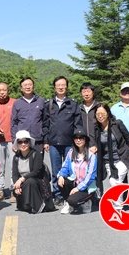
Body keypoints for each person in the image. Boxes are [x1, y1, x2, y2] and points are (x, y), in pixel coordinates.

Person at [42, 76, 83, 206]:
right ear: (54, 88)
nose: (60, 87)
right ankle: (58, 195)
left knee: (71, 171)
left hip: (69, 143)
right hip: (53, 143)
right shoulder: (48, 104)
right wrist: (46, 141)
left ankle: (70, 194)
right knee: (56, 171)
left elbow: (77, 124)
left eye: (63, 85)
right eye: (58, 85)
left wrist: (77, 141)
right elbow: (45, 124)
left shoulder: (73, 103)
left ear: (67, 87)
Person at [94, 103, 129, 195]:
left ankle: (117, 203)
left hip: (122, 158)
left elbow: (128, 138)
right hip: (108, 161)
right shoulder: (96, 128)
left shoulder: (117, 124)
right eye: (98, 114)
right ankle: (119, 202)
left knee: (114, 181)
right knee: (117, 183)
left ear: (108, 113)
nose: (100, 116)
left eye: (103, 113)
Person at [12, 130, 55, 214]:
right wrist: (16, 186)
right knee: (19, 187)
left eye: (25, 141)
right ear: (17, 144)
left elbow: (36, 172)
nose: (23, 144)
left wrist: (22, 179)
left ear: (29, 143)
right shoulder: (16, 157)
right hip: (24, 183)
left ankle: (38, 205)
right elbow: (15, 174)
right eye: (20, 142)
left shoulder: (36, 154)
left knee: (30, 181)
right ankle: (28, 205)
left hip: (38, 182)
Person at [57, 129, 97, 215]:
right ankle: (68, 204)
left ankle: (87, 202)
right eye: (76, 138)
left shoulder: (91, 155)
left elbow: (91, 176)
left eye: (81, 138)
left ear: (85, 140)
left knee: (73, 200)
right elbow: (65, 167)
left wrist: (78, 188)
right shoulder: (71, 152)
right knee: (61, 181)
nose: (78, 140)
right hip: (75, 183)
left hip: (87, 187)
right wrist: (61, 176)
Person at [11, 77, 45, 154]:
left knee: (37, 161)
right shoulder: (17, 103)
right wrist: (14, 141)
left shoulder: (41, 101)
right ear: (21, 88)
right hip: (22, 140)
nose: (28, 87)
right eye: (25, 85)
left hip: (38, 140)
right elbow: (14, 123)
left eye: (30, 84)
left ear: (33, 86)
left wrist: (45, 140)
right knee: (23, 161)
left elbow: (45, 121)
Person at [78, 82, 99, 148]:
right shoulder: (78, 109)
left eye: (88, 91)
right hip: (81, 145)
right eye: (84, 92)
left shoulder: (99, 107)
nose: (86, 94)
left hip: (97, 144)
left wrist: (97, 145)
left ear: (93, 92)